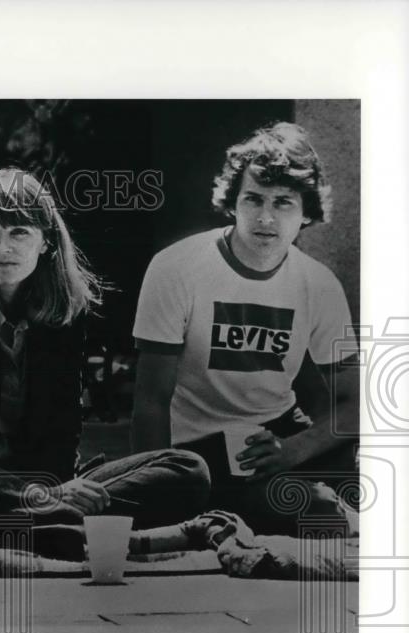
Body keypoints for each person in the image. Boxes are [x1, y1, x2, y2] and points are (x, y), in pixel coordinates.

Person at [0, 168, 211, 560]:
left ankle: (36, 531)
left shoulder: (65, 311)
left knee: (187, 468)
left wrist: (60, 489)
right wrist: (42, 494)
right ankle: (64, 530)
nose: (2, 248)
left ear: (46, 242)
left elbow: (63, 430)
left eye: (19, 233)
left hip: (40, 489)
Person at [131, 122, 359, 535]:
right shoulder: (176, 267)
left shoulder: (319, 282)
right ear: (232, 202)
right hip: (196, 448)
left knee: (368, 467)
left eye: (283, 202)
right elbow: (150, 400)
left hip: (277, 437)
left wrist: (294, 450)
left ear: (306, 211)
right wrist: (155, 489)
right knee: (317, 511)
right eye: (253, 199)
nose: (266, 217)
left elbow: (353, 405)